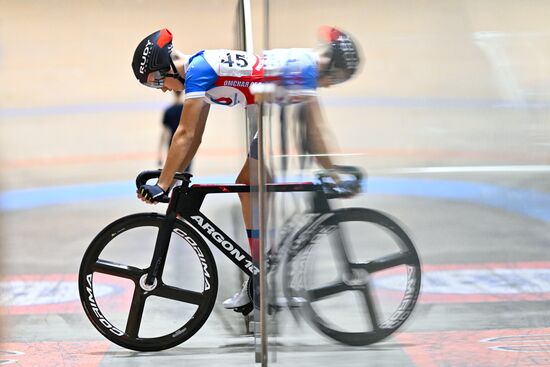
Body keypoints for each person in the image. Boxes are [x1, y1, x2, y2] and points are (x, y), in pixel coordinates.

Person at [131, 26, 361, 310]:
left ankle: (261, 278)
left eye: (155, 81)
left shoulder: (199, 71)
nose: (162, 89)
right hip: (276, 108)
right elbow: (194, 137)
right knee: (249, 187)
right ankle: (260, 277)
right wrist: (170, 177)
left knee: (252, 187)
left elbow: (185, 134)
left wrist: (163, 184)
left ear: (166, 67)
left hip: (282, 103)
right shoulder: (199, 70)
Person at [157, 91, 192, 173]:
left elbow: (164, 133)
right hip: (186, 144)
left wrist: (160, 152)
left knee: (172, 172)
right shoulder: (187, 109)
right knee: (185, 172)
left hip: (173, 143)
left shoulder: (168, 111)